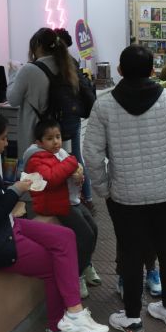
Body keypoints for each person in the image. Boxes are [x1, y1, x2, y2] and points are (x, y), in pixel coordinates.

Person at [0, 109, 108, 332]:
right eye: (2, 138)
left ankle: (73, 313)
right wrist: (17, 190)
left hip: (2, 228)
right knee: (53, 264)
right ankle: (57, 328)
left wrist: (17, 186)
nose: (6, 143)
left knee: (65, 236)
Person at [84, 45, 166, 332]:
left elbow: (93, 154)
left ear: (120, 70)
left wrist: (104, 189)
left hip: (125, 197)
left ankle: (132, 317)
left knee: (131, 254)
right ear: (152, 70)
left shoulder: (104, 105)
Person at [23, 119, 101, 297]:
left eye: (58, 137)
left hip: (69, 200)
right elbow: (51, 178)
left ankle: (86, 264)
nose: (56, 141)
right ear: (39, 142)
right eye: (50, 138)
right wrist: (73, 163)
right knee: (85, 236)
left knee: (93, 229)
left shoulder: (60, 153)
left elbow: (71, 173)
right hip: (54, 204)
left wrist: (77, 175)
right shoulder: (36, 159)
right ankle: (77, 275)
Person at [7, 27, 79, 162]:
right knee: (56, 177)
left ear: (38, 46)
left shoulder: (29, 69)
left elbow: (13, 100)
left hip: (34, 138)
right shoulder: (65, 66)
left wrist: (13, 74)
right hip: (58, 137)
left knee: (35, 180)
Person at [52, 28, 96, 206]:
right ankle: (87, 197)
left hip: (59, 117)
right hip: (73, 115)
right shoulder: (72, 62)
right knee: (76, 157)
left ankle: (67, 199)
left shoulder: (54, 64)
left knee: (57, 158)